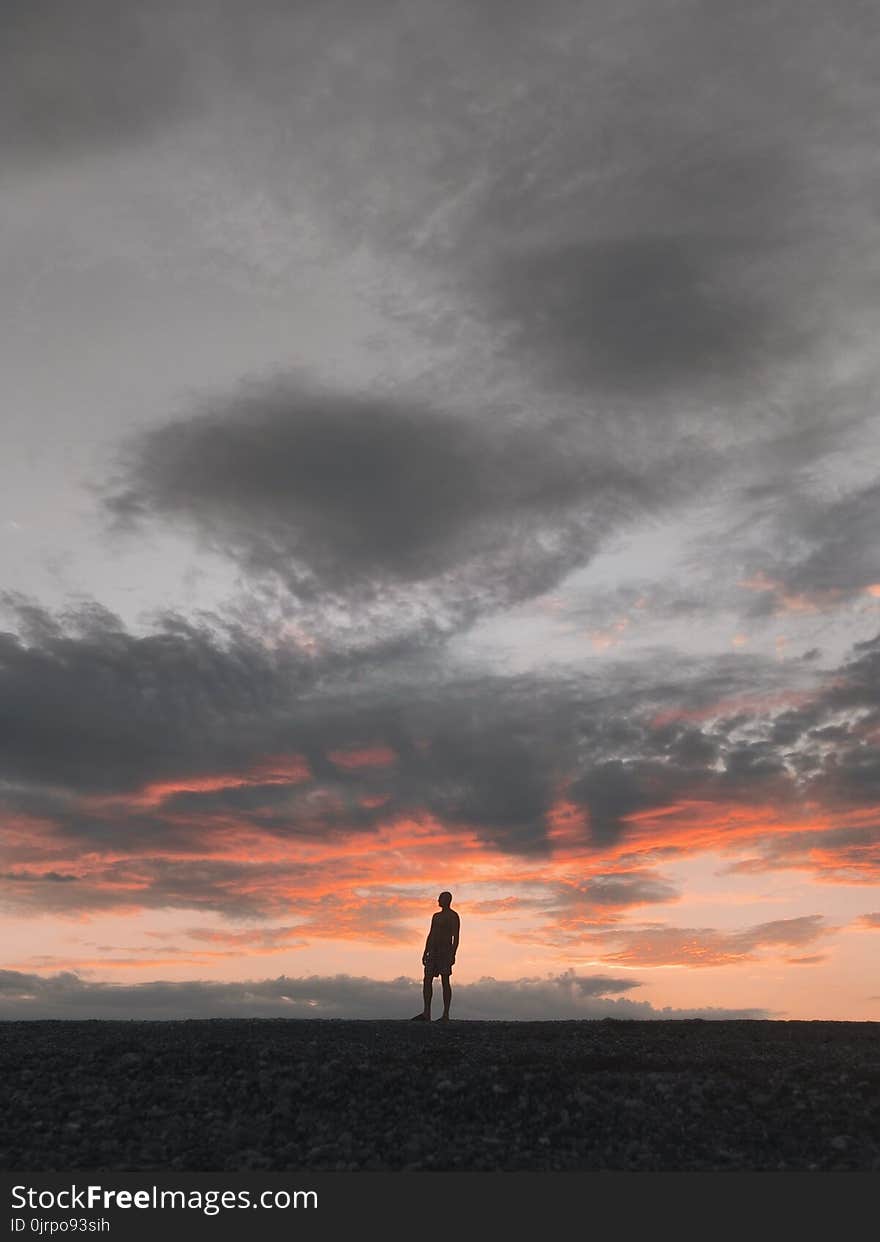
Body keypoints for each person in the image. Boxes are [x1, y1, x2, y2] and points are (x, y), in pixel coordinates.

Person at [411, 891, 460, 1022]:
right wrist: (425, 951)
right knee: (427, 980)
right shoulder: (436, 916)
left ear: (447, 900)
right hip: (433, 951)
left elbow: (456, 937)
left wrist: (453, 954)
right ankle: (426, 1012)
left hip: (445, 951)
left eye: (440, 898)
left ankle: (446, 1014)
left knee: (445, 980)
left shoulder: (453, 916)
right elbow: (431, 933)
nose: (438, 901)